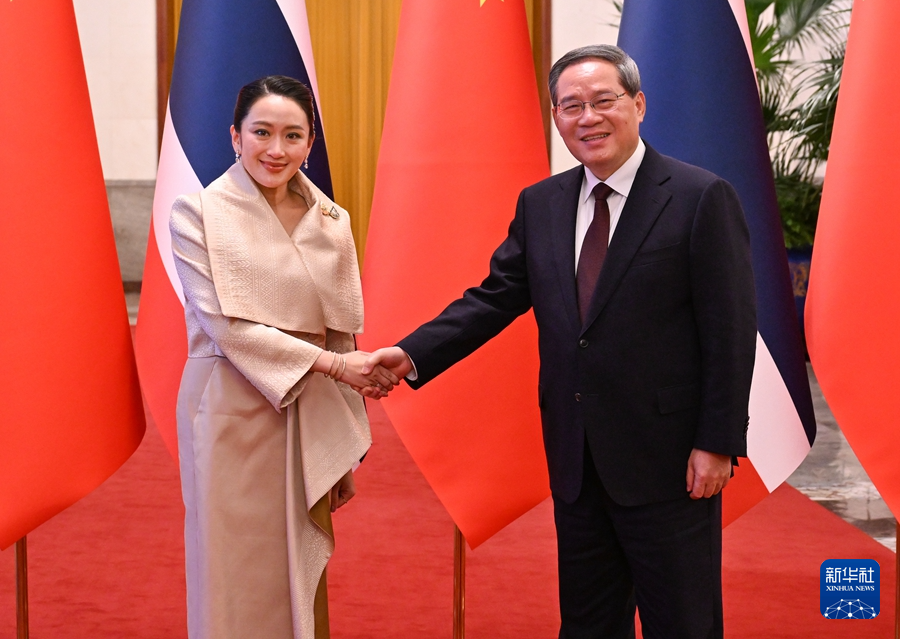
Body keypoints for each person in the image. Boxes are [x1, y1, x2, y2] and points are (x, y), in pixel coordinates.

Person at [363, 45, 756, 638]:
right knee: (587, 624)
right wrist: (412, 353)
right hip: (577, 459)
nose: (588, 118)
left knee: (684, 623)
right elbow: (495, 297)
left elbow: (730, 330)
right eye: (572, 106)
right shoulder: (542, 203)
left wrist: (717, 442)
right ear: (556, 117)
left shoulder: (700, 197)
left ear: (638, 104)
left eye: (603, 101)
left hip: (670, 461)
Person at [169, 75, 398, 639]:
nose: (276, 149)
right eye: (262, 132)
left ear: (310, 143)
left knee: (302, 570)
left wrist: (344, 447)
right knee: (233, 568)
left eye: (293, 135)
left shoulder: (332, 221)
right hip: (230, 407)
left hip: (312, 407)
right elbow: (228, 327)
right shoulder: (196, 213)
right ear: (235, 136)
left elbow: (341, 334)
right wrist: (336, 368)